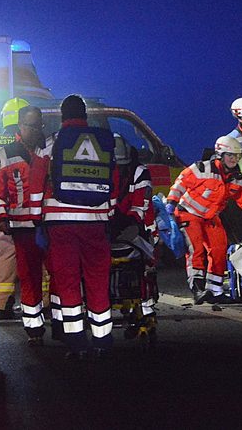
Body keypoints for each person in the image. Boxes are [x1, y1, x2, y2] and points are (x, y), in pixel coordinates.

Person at [31, 95, 119, 360]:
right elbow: (113, 179)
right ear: (85, 115)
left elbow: (36, 181)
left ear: (62, 116)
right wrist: (108, 212)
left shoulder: (50, 142)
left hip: (61, 223)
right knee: (97, 280)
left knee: (68, 281)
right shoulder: (104, 141)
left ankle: (77, 343)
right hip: (96, 221)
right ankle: (103, 340)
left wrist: (36, 215)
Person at [166, 135, 242, 304]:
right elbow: (180, 183)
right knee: (196, 249)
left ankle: (215, 291)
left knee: (219, 249)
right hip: (189, 213)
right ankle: (197, 289)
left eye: (236, 156)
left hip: (211, 217)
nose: (234, 159)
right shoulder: (201, 169)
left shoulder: (237, 178)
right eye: (230, 155)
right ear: (220, 155)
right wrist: (171, 202)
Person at [0, 105, 48, 346]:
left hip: (48, 222)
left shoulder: (49, 150)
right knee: (28, 276)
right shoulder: (4, 155)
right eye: (30, 126)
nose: (35, 130)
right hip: (20, 226)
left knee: (54, 273)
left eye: (39, 126)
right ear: (20, 126)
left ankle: (58, 319)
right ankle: (33, 326)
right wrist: (2, 218)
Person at [0, 98, 32, 320]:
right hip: (31, 212)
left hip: (4, 211)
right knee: (38, 259)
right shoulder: (30, 144)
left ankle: (1, 302)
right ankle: (43, 303)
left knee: (5, 256)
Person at [110, 134, 156, 338]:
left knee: (145, 268)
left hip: (136, 228)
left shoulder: (140, 173)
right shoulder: (105, 170)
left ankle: (146, 310)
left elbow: (140, 208)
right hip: (111, 228)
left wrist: (122, 222)